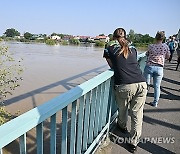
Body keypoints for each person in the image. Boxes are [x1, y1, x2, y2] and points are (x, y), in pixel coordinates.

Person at [103, 28, 147, 153]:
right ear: (125, 36)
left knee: (123, 108)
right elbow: (133, 61)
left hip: (124, 84)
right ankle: (134, 143)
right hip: (141, 82)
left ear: (113, 36)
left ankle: (122, 127)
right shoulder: (132, 46)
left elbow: (112, 64)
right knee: (137, 114)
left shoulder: (109, 46)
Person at [144, 31, 170, 107]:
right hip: (159, 68)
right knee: (157, 86)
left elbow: (147, 54)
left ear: (156, 37)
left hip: (149, 66)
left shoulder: (151, 46)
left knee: (146, 85)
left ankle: (142, 101)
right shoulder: (165, 46)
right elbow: (168, 56)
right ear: (163, 38)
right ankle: (155, 102)